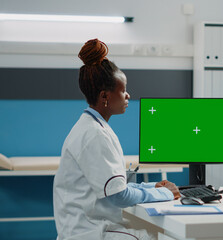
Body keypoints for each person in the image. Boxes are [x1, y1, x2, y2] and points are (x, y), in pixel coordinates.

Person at [53, 39, 181, 240]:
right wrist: (166, 193)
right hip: (91, 232)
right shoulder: (95, 134)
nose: (128, 95)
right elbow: (119, 196)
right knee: (168, 237)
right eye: (123, 90)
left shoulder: (93, 126)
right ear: (105, 96)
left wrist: (153, 187)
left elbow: (119, 188)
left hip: (91, 225)